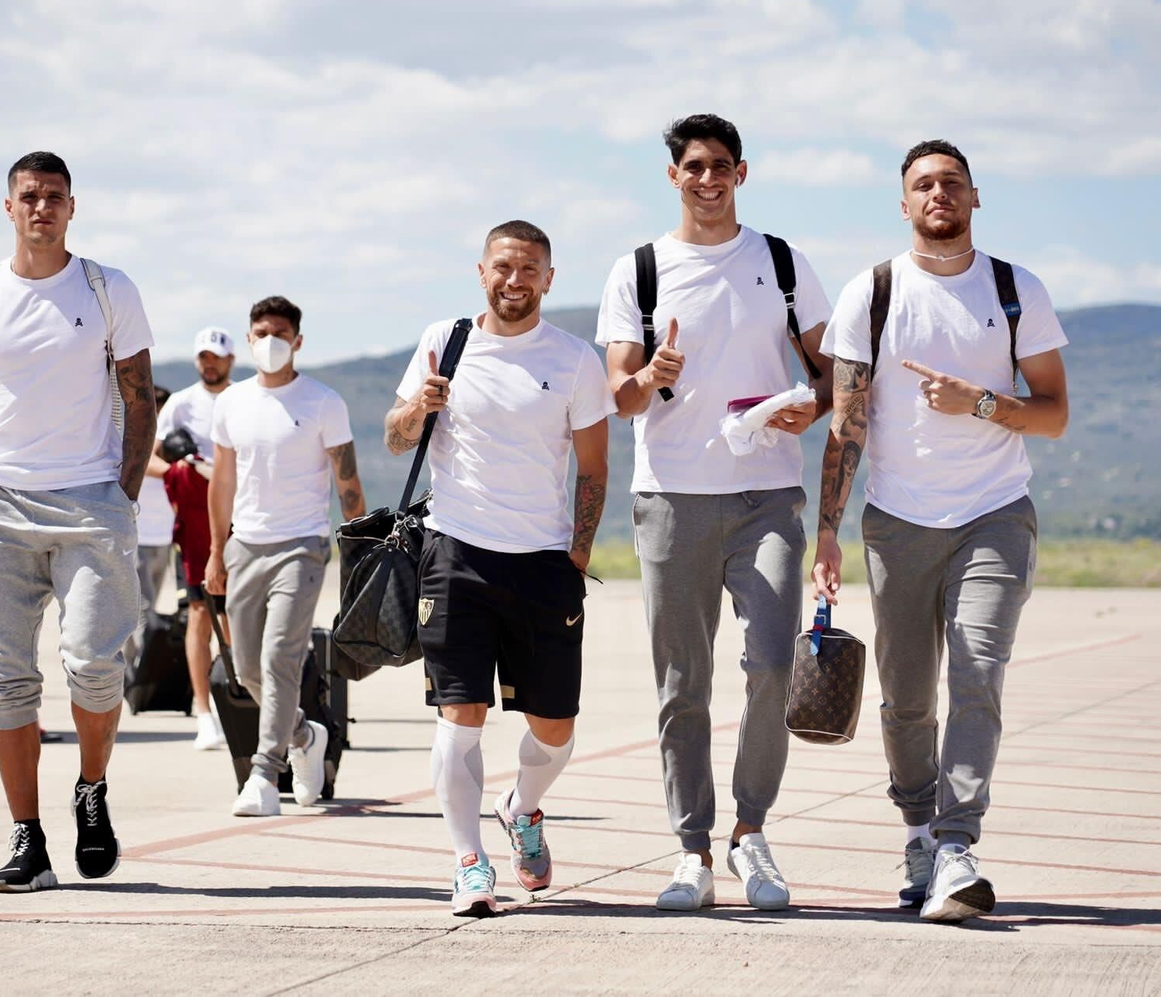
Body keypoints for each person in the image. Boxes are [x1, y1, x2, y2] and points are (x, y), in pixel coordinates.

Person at [812, 139, 1069, 922]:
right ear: (904, 204)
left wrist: (982, 403)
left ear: (975, 197)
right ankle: (919, 830)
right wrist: (827, 532)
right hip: (898, 523)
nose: (938, 195)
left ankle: (958, 846)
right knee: (908, 700)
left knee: (978, 674)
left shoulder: (1015, 288)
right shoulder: (874, 292)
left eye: (951, 183)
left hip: (995, 513)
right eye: (923, 185)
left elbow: (1053, 414)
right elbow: (847, 422)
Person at [595, 114, 833, 912]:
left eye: (721, 165)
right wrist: (655, 374)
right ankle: (692, 848)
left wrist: (814, 406)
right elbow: (617, 397)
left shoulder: (783, 263)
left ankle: (750, 834)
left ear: (742, 172)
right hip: (670, 498)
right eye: (694, 166)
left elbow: (832, 376)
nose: (708, 178)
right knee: (680, 683)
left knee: (771, 665)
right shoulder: (639, 271)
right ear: (673, 175)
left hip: (766, 494)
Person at [0, 151, 157, 893]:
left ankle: (91, 789)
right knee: (7, 683)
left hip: (91, 504)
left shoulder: (106, 289)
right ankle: (27, 840)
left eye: (54, 197)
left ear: (73, 207)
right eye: (29, 196)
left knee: (95, 665)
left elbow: (141, 397)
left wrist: (122, 497)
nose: (42, 208)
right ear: (8, 207)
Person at [386, 220, 612, 918]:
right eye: (503, 268)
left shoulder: (575, 360)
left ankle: (522, 807)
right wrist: (415, 410)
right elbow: (396, 439)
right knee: (461, 717)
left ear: (549, 278)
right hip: (456, 553)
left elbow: (594, 468)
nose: (515, 282)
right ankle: (467, 861)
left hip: (544, 563)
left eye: (530, 270)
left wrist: (575, 554)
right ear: (481, 271)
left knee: (556, 727)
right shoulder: (443, 343)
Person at [205, 296, 366, 817]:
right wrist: (216, 553)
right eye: (260, 332)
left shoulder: (322, 402)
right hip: (245, 545)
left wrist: (359, 555)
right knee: (247, 667)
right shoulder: (231, 402)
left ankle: (263, 774)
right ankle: (304, 734)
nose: (270, 340)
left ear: (297, 341)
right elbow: (222, 481)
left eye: (280, 332)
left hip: (303, 545)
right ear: (248, 340)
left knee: (280, 658)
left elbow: (348, 483)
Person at [149, 326, 236, 750]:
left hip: (241, 516)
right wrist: (184, 473)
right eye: (203, 356)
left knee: (235, 613)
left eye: (216, 356)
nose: (209, 363)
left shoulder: (245, 399)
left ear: (231, 361)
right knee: (200, 611)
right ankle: (204, 711)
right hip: (194, 520)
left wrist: (218, 478)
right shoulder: (180, 405)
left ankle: (233, 695)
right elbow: (149, 456)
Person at [130, 385, 175, 662]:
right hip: (139, 536)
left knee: (150, 609)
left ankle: (136, 668)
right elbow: (147, 465)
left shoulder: (168, 442)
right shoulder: (138, 439)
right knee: (141, 611)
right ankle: (139, 671)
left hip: (165, 537)